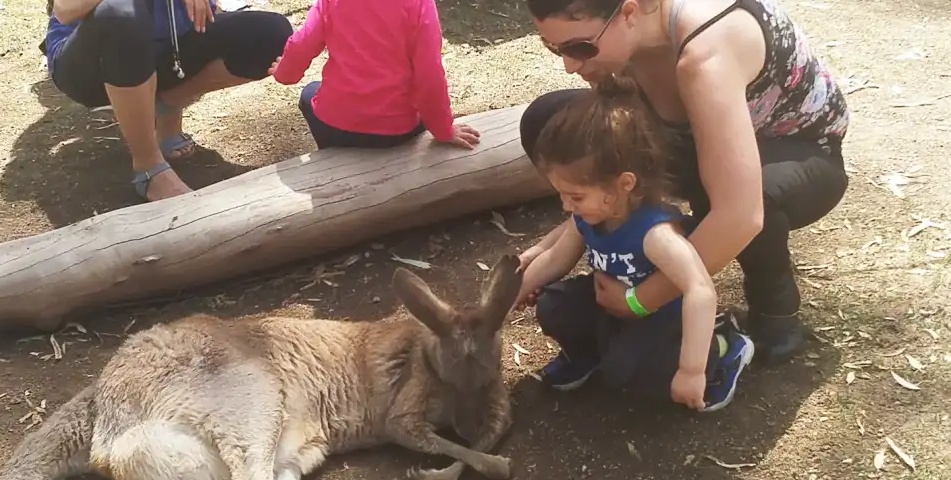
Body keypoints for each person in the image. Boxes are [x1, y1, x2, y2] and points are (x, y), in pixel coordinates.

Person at [519, 0, 851, 367]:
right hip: (690, 136)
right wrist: (554, 244)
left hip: (798, 153)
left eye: (579, 48)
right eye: (555, 47)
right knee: (551, 123)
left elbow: (740, 215)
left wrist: (641, 299)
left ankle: (775, 308)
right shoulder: (626, 35)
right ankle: (636, 245)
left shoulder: (706, 54)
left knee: (727, 197)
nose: (569, 65)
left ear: (628, 12)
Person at [515, 75, 756, 411]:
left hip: (662, 320)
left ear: (624, 184)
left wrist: (691, 370)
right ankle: (589, 356)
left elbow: (700, 289)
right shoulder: (589, 216)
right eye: (562, 195)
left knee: (628, 374)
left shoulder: (654, 233)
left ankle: (724, 350)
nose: (566, 206)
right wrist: (509, 297)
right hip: (612, 307)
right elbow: (556, 259)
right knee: (554, 304)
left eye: (575, 196)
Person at [40, 0, 293, 201]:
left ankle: (165, 106)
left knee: (271, 34)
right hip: (89, 65)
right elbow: (65, 9)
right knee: (121, 11)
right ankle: (149, 168)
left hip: (162, 51)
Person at [266, 0, 481, 151]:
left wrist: (284, 73)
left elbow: (301, 45)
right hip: (397, 130)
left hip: (336, 126)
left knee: (309, 94)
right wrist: (444, 129)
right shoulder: (419, 4)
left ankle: (331, 151)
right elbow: (429, 75)